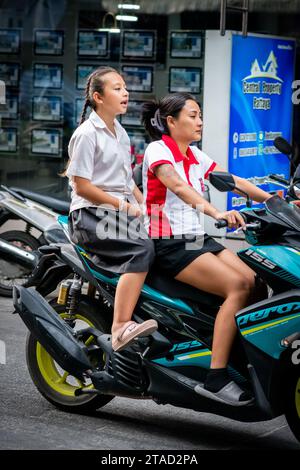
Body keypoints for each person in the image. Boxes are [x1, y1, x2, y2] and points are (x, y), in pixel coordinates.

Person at [141, 92, 271, 406]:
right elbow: (178, 186)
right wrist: (216, 213)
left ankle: (235, 354)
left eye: (200, 116)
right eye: (193, 115)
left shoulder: (195, 156)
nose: (200, 121)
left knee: (257, 282)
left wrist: (278, 203)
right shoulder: (158, 150)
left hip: (195, 238)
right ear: (171, 122)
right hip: (168, 241)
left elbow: (234, 180)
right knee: (238, 286)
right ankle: (216, 377)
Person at [64, 66, 157, 352]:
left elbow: (127, 180)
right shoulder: (86, 133)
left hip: (116, 212)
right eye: (117, 88)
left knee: (165, 242)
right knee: (142, 249)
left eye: (125, 87)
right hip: (89, 215)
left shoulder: (120, 133)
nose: (125, 92)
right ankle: (120, 327)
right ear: (98, 97)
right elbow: (82, 187)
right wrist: (125, 207)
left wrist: (146, 205)